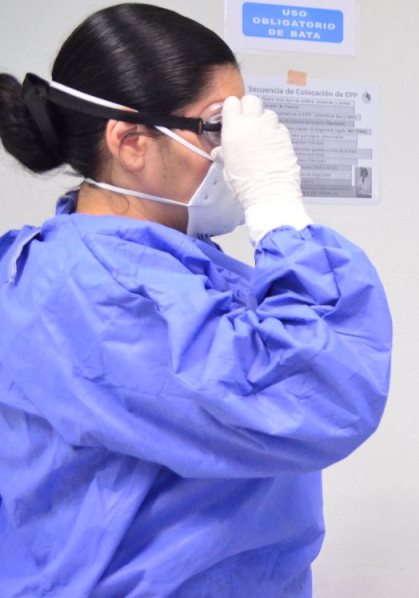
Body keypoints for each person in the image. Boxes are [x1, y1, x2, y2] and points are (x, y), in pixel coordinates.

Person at [0, 4, 391, 596]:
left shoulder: (152, 263)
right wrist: (277, 210)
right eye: (216, 127)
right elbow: (325, 395)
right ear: (132, 142)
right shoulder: (99, 291)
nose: (234, 152)